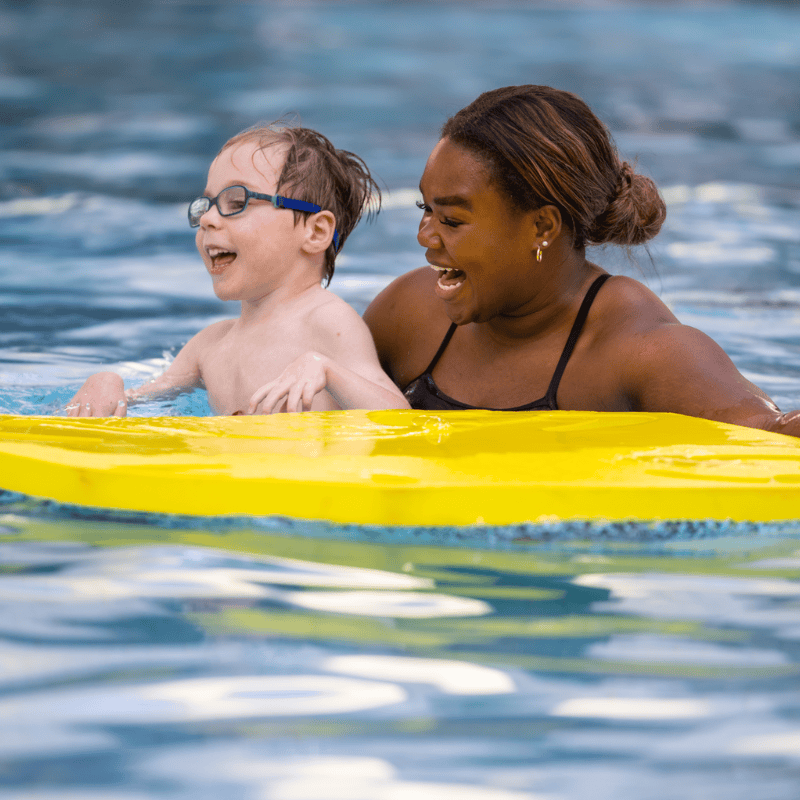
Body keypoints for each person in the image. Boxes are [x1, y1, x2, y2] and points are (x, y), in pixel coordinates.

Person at [364, 85, 800, 436]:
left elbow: (772, 439)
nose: (425, 236)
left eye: (452, 219)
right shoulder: (410, 315)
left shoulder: (643, 351)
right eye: (425, 209)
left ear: (542, 228)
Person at [64, 123, 408, 416]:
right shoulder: (208, 347)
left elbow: (398, 417)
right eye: (207, 205)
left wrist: (328, 371)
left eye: (237, 202)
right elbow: (135, 407)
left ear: (315, 232)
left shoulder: (327, 323)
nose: (209, 220)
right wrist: (106, 384)